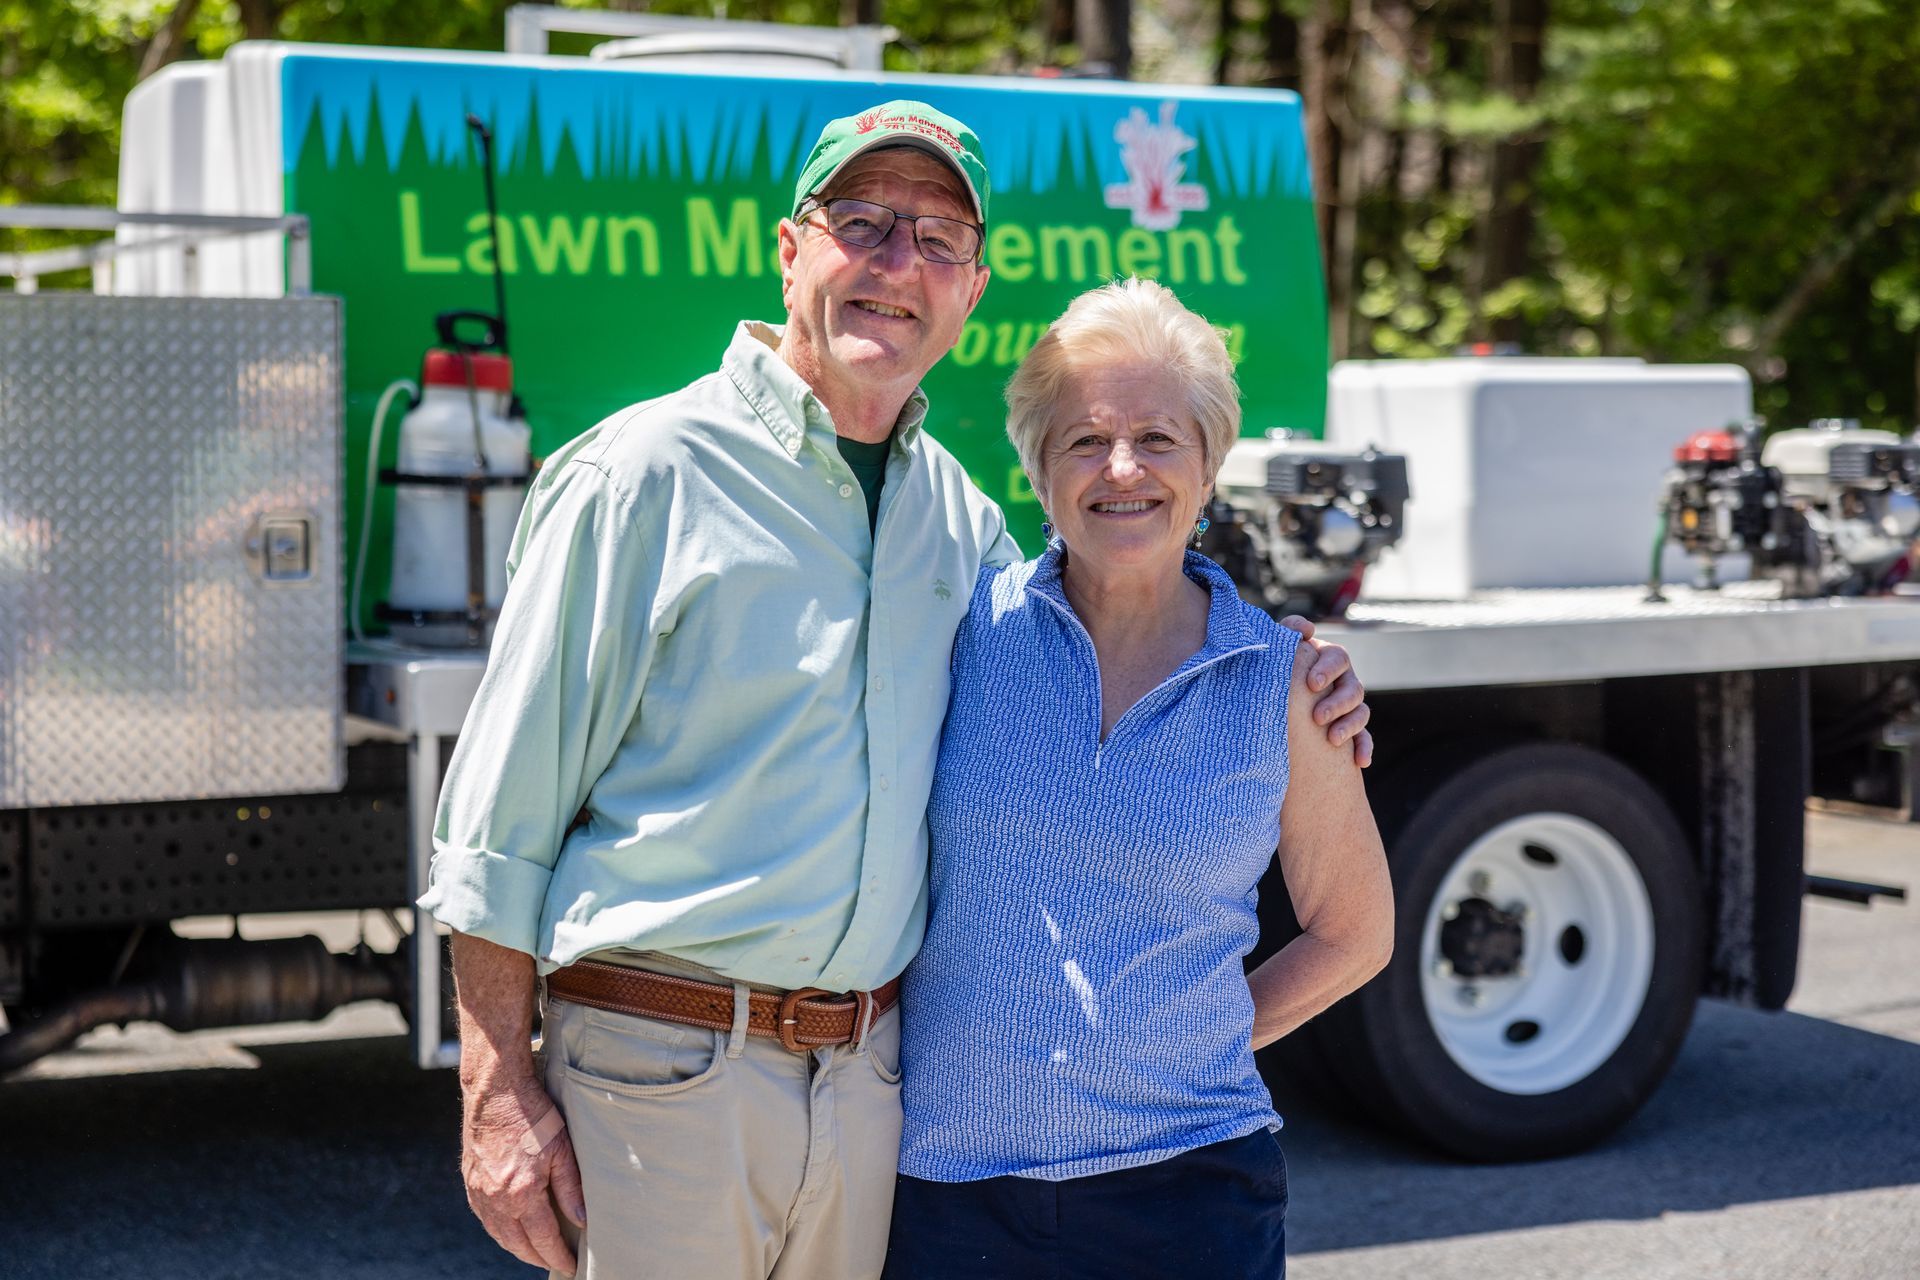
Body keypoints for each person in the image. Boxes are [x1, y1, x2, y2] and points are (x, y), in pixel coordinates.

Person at [418, 103, 1375, 1280]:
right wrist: (496, 1085)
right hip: (665, 1074)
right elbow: (495, 822)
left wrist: (1307, 673)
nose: (895, 265)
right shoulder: (643, 476)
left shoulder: (956, 524)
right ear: (789, 248)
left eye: (934, 238)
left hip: (875, 1091)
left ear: (972, 289)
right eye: (861, 223)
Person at [885, 278, 1396, 1280]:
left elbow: (1355, 931)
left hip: (1187, 1190)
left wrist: (1189, 1036)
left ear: (1209, 466)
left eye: (1159, 438)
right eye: (1084, 440)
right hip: (949, 1192)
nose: (1123, 468)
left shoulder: (1283, 683)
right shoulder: (960, 636)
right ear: (1037, 468)